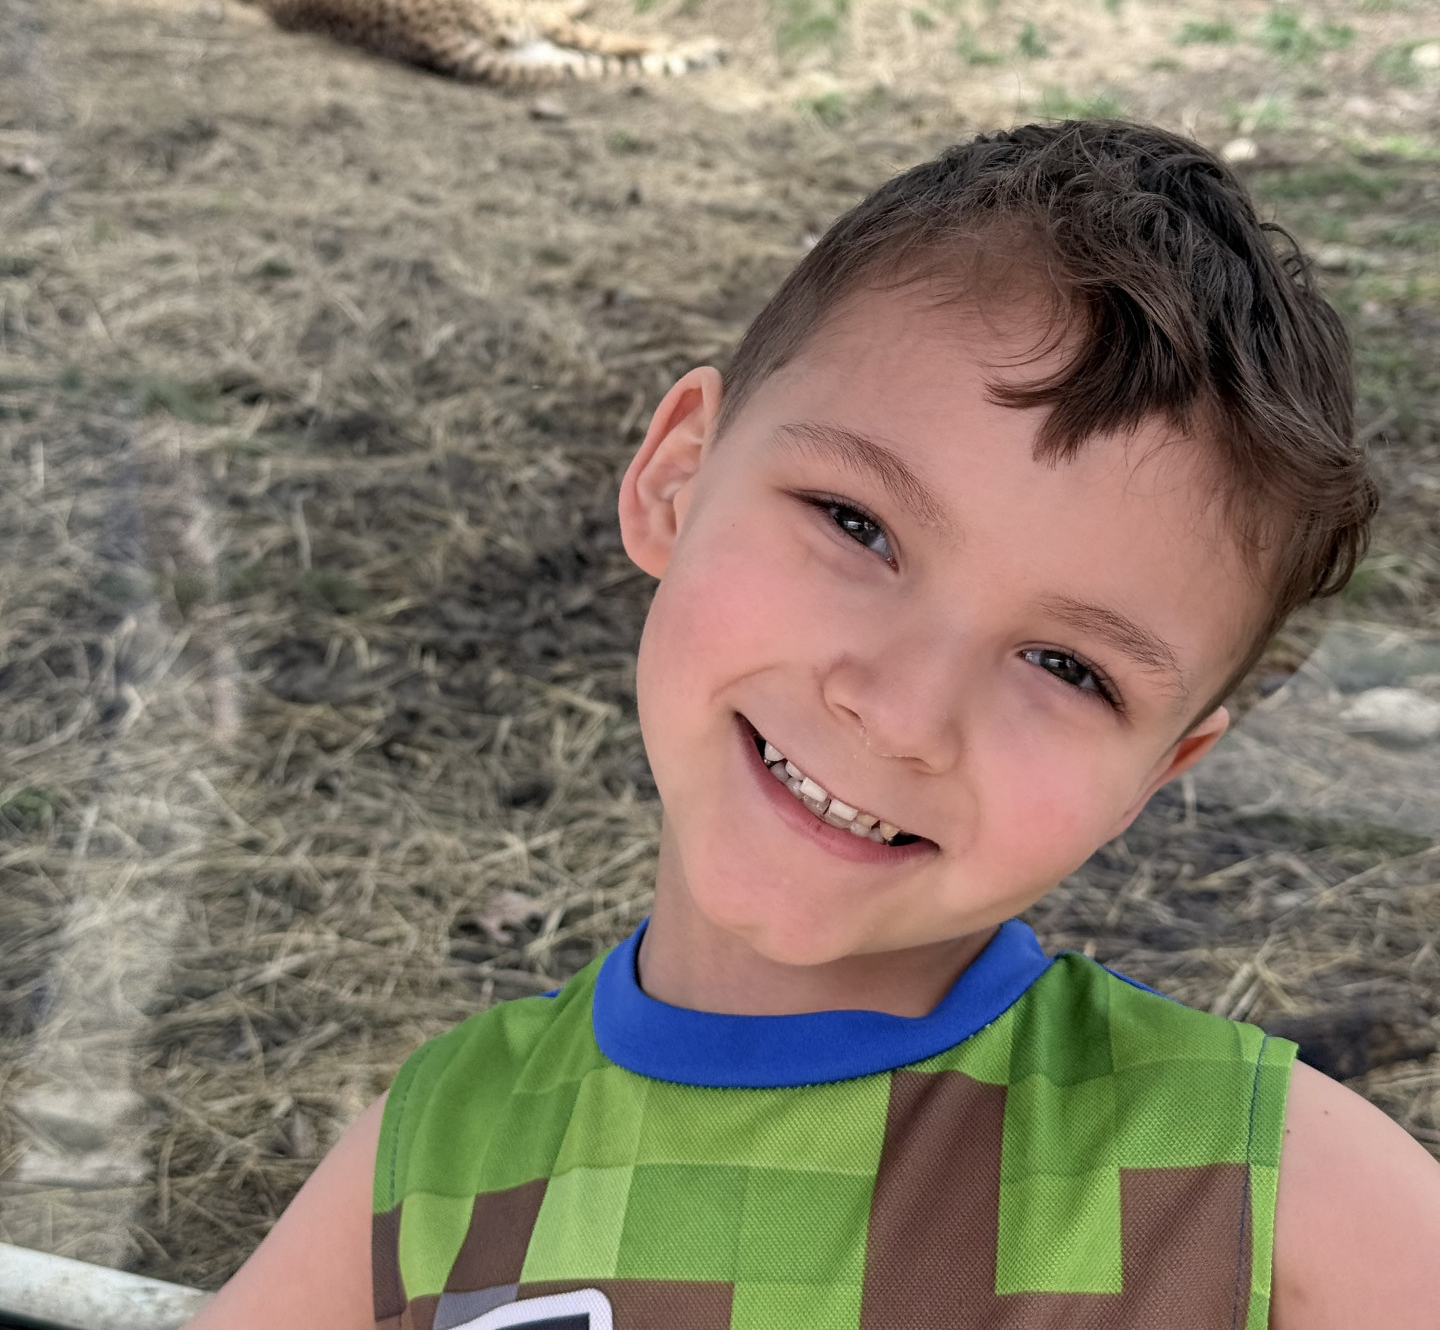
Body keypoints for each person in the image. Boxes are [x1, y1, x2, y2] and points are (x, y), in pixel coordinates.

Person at [193, 121, 1440, 1330]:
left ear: (1156, 775)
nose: (902, 713)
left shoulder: (1263, 1196)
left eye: (1068, 668)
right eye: (858, 526)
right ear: (676, 476)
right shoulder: (431, 1159)